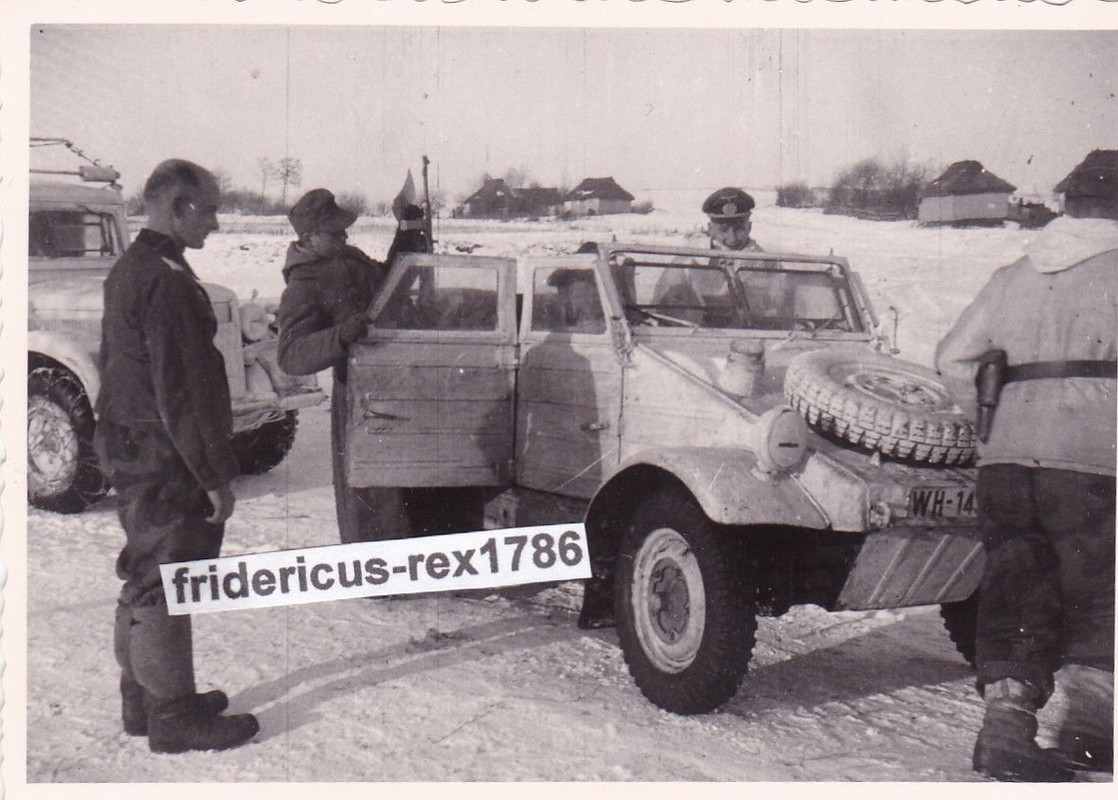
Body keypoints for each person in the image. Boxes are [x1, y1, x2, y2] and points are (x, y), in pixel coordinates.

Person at [935, 149, 1118, 782]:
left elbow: (955, 359)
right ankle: (1091, 734)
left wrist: (996, 426)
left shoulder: (1014, 273)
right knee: (1100, 595)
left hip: (1007, 464)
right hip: (1097, 460)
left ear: (1072, 202)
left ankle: (1005, 735)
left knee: (1016, 591)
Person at [95, 159, 259, 753]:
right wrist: (214, 476)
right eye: (209, 208)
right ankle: (171, 717)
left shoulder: (135, 267)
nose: (216, 222)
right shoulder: (164, 279)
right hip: (165, 456)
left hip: (136, 445)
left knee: (146, 571)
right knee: (168, 579)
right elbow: (182, 390)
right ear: (177, 206)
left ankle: (146, 700)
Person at [276, 188, 424, 543]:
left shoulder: (350, 258)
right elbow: (291, 355)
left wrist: (408, 232)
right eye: (334, 230)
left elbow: (391, 282)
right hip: (357, 392)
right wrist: (341, 336)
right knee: (370, 492)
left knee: (406, 478)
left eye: (343, 228)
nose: (344, 235)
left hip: (393, 378)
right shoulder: (302, 285)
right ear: (308, 237)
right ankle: (377, 573)